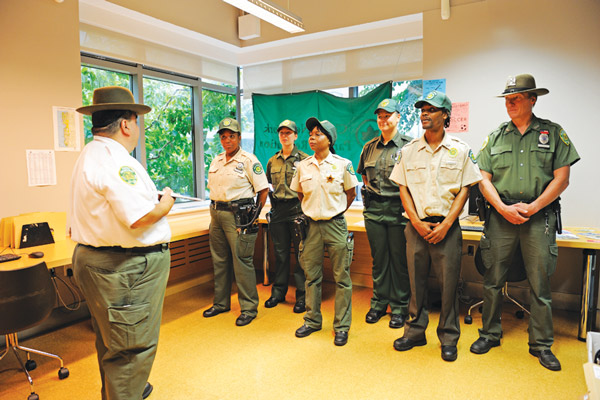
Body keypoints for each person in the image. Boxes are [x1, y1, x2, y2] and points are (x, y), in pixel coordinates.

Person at [470, 74, 580, 371]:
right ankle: (489, 334)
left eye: (517, 97)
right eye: (507, 98)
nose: (510, 103)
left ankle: (541, 344)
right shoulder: (495, 137)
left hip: (538, 218)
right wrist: (503, 208)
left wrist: (533, 206)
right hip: (500, 218)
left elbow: (562, 178)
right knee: (492, 279)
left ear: (533, 99)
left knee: (539, 284)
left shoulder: (553, 133)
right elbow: (483, 179)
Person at [70, 86, 174, 400]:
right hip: (126, 268)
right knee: (131, 351)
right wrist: (166, 201)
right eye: (137, 122)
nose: (138, 129)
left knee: (112, 343)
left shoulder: (90, 154)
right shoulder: (118, 161)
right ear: (127, 125)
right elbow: (141, 217)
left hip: (99, 260)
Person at [389, 91, 481, 362]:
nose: (425, 113)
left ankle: (449, 337)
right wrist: (416, 222)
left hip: (447, 228)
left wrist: (447, 224)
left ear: (445, 115)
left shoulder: (460, 150)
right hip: (415, 227)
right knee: (415, 284)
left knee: (448, 286)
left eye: (432, 109)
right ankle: (415, 332)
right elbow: (403, 189)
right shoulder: (408, 151)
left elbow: (465, 190)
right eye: (422, 109)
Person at [290, 117, 358, 346]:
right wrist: (314, 211)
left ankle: (341, 326)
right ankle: (312, 320)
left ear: (329, 140)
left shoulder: (343, 164)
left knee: (341, 277)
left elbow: (351, 195)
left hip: (335, 225)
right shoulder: (303, 166)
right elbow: (300, 194)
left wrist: (334, 212)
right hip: (310, 227)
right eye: (310, 133)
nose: (312, 137)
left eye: (318, 133)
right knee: (311, 276)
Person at [203, 117, 269, 327]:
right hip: (216, 214)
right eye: (224, 137)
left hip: (238, 216)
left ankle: (249, 307)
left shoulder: (249, 160)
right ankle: (221, 303)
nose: (227, 140)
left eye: (232, 136)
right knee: (220, 261)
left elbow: (263, 190)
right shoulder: (216, 161)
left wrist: (253, 217)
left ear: (239, 137)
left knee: (242, 261)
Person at [357, 98, 412, 329]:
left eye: (387, 115)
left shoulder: (409, 146)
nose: (383, 119)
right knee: (379, 260)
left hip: (399, 209)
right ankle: (379, 303)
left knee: (399, 260)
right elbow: (364, 176)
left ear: (398, 117)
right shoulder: (369, 147)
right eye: (380, 116)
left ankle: (400, 307)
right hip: (374, 210)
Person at [264, 120, 309, 313]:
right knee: (280, 255)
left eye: (289, 133)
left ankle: (302, 296)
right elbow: (268, 186)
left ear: (296, 136)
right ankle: (278, 293)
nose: (285, 136)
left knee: (301, 255)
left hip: (298, 210)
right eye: (281, 132)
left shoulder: (305, 160)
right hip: (278, 211)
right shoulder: (272, 161)